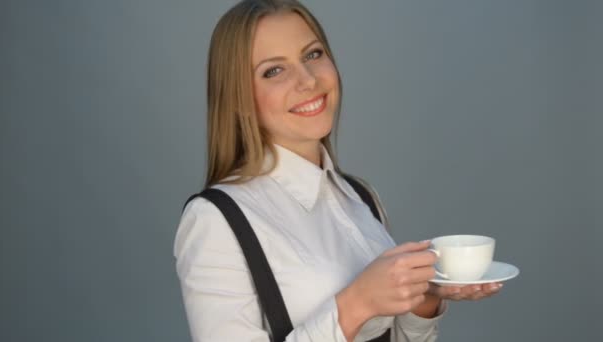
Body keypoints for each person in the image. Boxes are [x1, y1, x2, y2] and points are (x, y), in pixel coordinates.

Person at [174, 1, 503, 341]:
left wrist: (427, 297)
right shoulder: (215, 219)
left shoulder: (360, 196)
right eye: (274, 70)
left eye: (313, 54)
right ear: (239, 99)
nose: (308, 80)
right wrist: (357, 303)